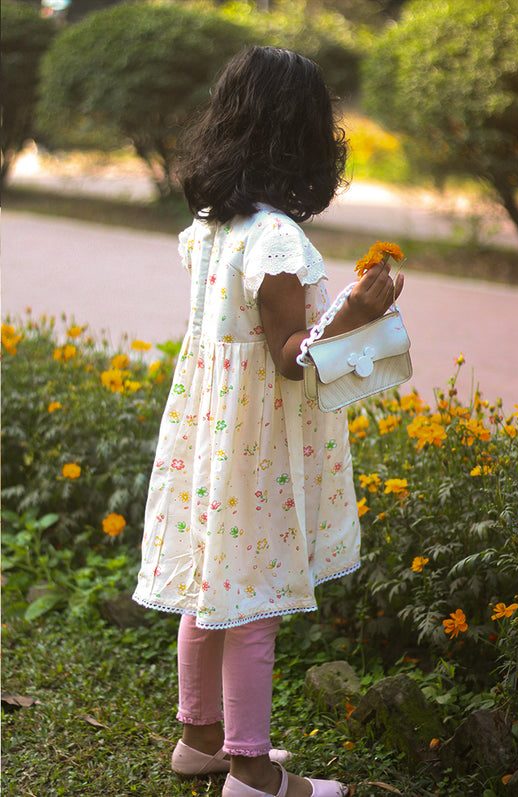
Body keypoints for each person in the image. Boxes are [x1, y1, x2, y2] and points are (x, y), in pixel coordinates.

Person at [132, 45, 404, 797]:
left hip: (211, 430)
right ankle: (250, 772)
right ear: (305, 139)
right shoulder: (277, 238)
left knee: (210, 584)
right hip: (257, 444)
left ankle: (200, 739)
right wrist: (357, 310)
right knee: (251, 597)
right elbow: (290, 358)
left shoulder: (215, 224)